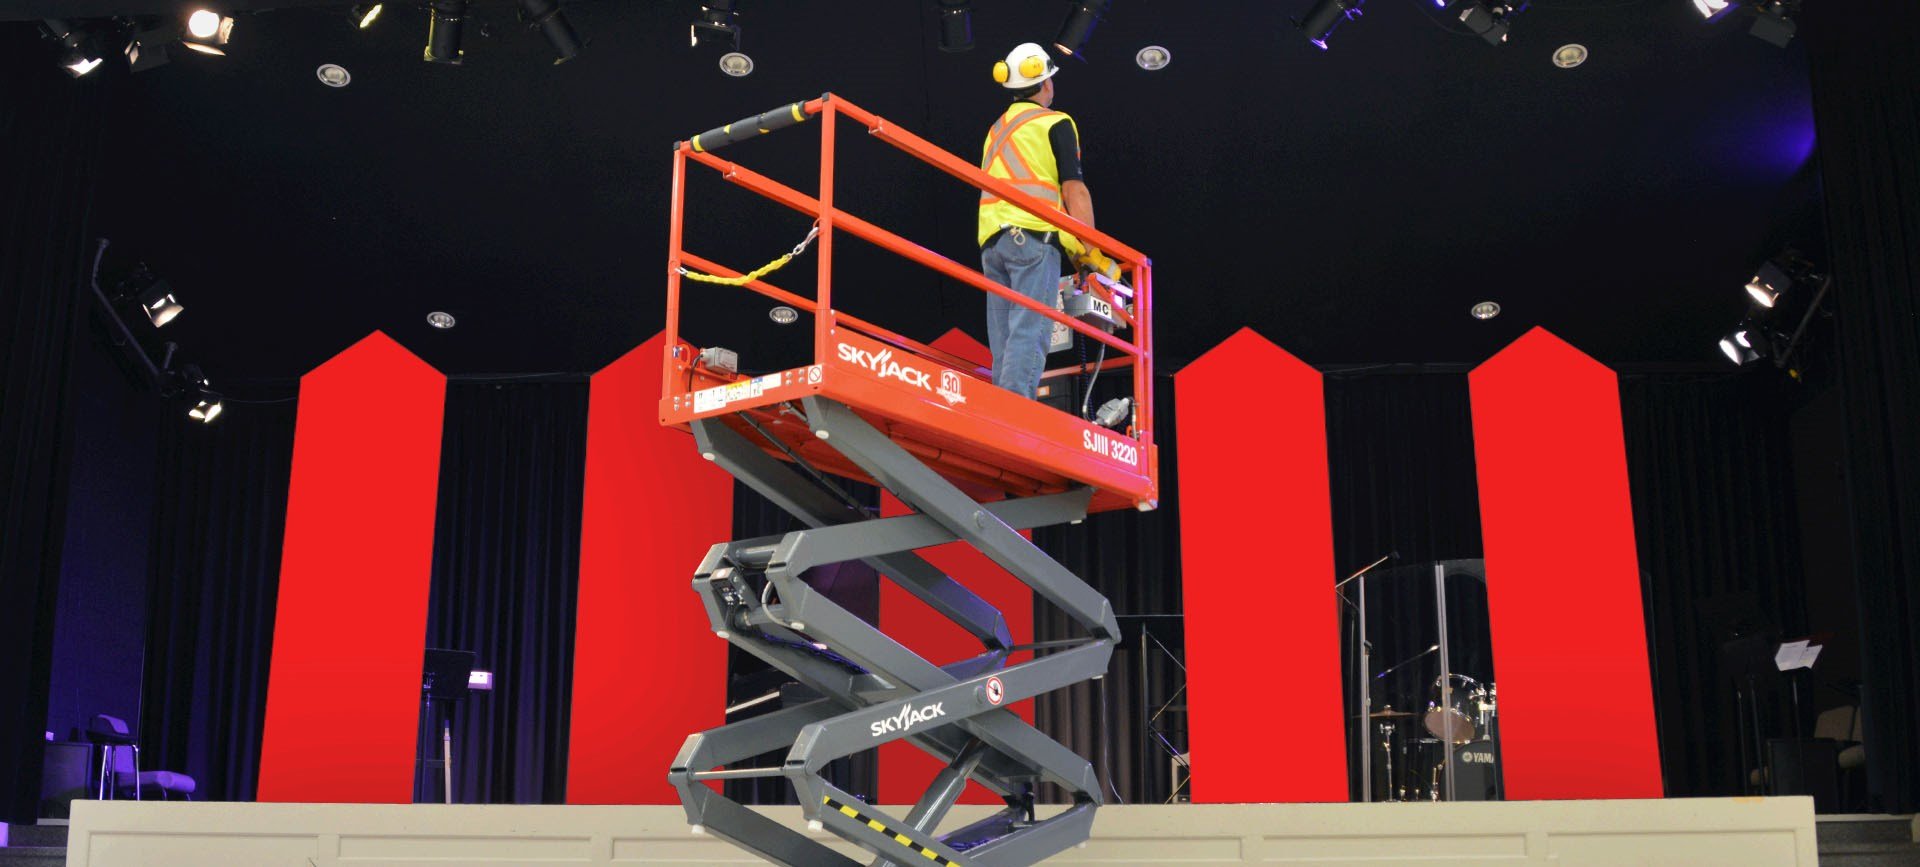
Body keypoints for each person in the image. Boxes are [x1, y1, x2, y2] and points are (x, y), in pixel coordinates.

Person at [977, 42, 1099, 400]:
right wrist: (1090, 251)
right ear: (1046, 84)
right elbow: (1075, 191)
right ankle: (1017, 414)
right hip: (1031, 237)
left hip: (992, 243)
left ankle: (1004, 406)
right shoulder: (1056, 122)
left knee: (1005, 339)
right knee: (1030, 329)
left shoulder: (995, 129)